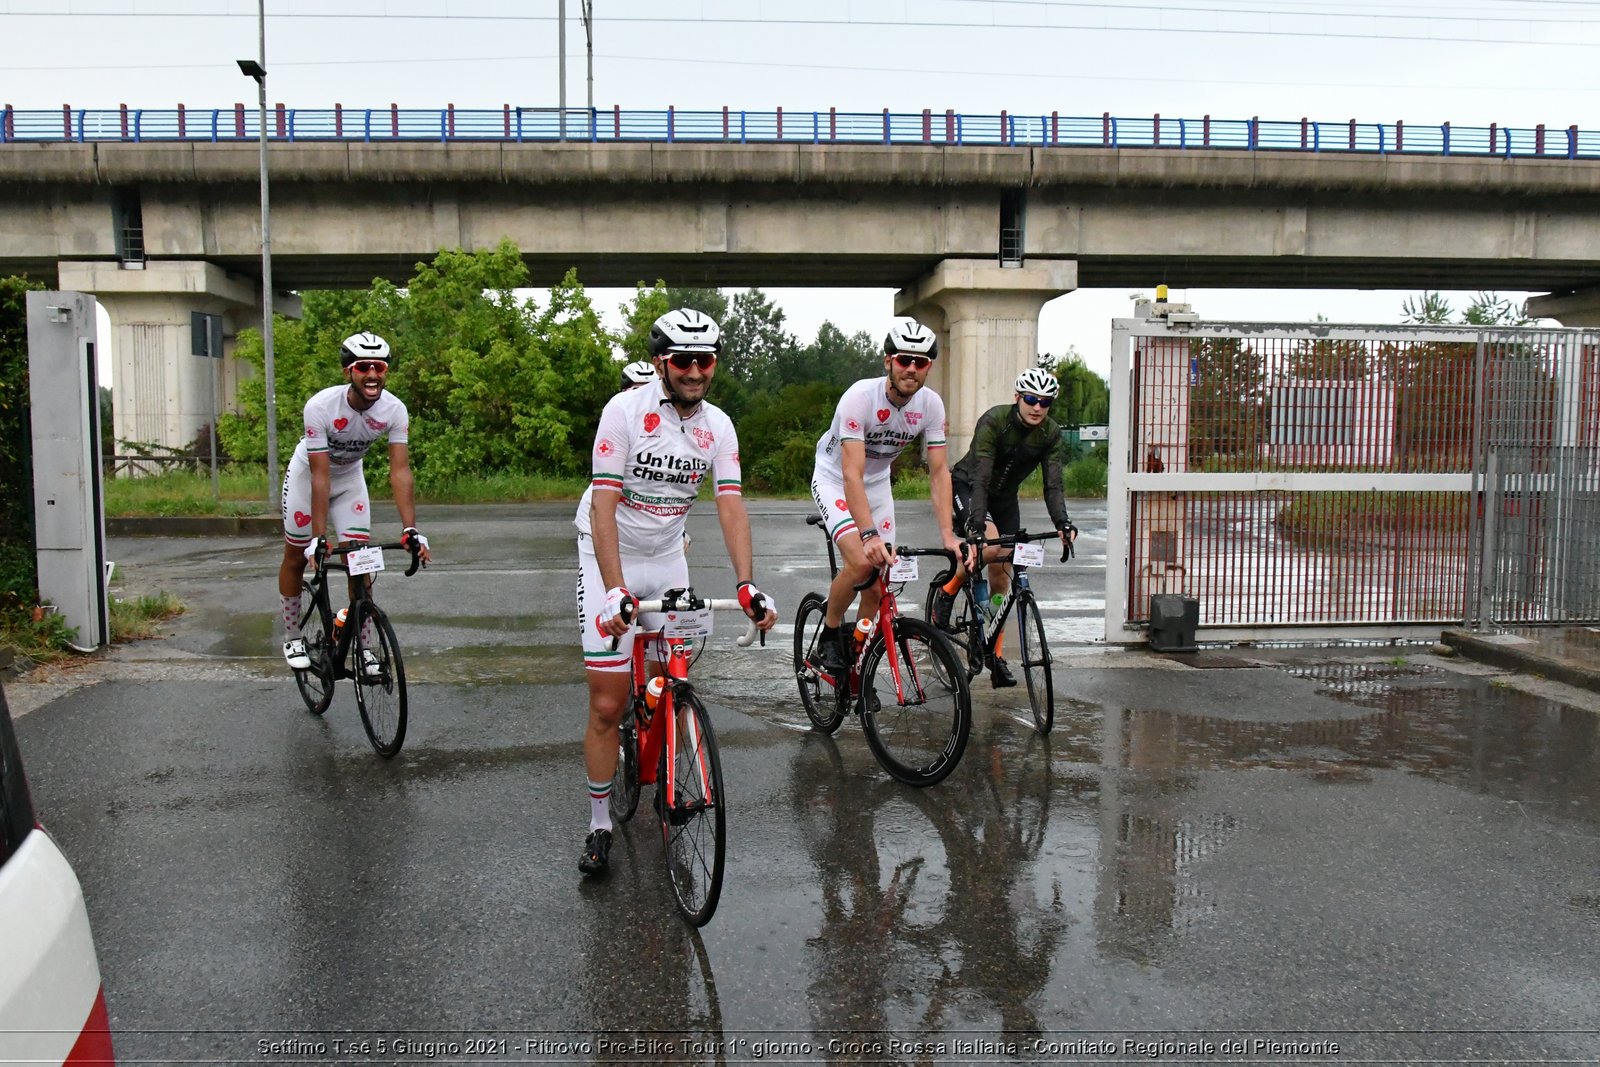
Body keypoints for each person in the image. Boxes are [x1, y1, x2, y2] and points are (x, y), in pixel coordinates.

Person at [574, 308, 777, 877]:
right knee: (608, 703)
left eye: (705, 360)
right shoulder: (625, 412)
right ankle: (598, 822)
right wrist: (615, 591)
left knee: (677, 682)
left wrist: (746, 583)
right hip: (606, 552)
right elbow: (603, 503)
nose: (694, 371)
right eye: (683, 360)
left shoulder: (720, 426)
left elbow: (730, 503)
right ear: (662, 362)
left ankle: (669, 773)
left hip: (667, 555)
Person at [808, 316, 964, 673]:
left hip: (877, 484)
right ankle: (829, 635)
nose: (911, 368)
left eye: (920, 362)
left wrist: (947, 534)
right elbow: (851, 473)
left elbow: (939, 472)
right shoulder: (859, 398)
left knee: (879, 586)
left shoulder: (931, 405)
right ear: (888, 361)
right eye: (903, 360)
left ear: (928, 367)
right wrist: (868, 534)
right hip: (835, 478)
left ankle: (858, 670)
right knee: (863, 561)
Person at [279, 332, 432, 672]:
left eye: (379, 366)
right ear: (349, 370)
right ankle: (292, 635)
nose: (372, 374)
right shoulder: (320, 407)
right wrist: (318, 537)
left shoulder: (394, 410)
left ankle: (363, 648)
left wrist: (411, 528)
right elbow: (320, 476)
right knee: (295, 554)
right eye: (364, 367)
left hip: (349, 478)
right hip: (309, 475)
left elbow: (401, 472)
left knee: (359, 559)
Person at [930, 366, 1078, 687]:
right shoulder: (994, 420)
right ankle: (948, 591)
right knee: (991, 546)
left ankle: (994, 655)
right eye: (1030, 399)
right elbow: (981, 476)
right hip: (969, 486)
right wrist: (978, 526)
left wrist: (1062, 523)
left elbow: (1053, 485)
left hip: (1005, 499)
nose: (1037, 406)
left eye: (1045, 401)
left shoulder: (1050, 433)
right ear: (1017, 398)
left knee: (1004, 575)